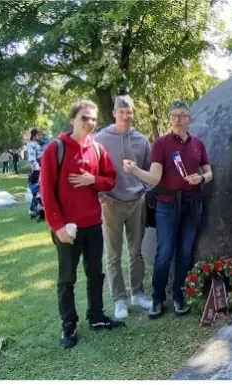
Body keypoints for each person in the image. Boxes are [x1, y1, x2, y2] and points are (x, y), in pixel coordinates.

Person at [40, 100, 120, 349]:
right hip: (67, 229)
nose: (89, 123)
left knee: (96, 274)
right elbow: (46, 192)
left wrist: (91, 179)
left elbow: (110, 181)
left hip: (94, 224)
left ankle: (96, 316)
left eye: (93, 119)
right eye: (84, 118)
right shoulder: (56, 149)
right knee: (66, 279)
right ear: (72, 119)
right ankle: (69, 326)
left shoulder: (97, 150)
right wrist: (58, 226)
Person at [124, 101, 213, 319]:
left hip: (193, 204)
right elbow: (154, 177)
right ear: (169, 119)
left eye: (182, 115)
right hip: (167, 205)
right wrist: (135, 170)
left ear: (189, 119)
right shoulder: (161, 144)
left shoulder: (198, 144)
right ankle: (157, 298)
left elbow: (209, 173)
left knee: (185, 253)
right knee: (164, 253)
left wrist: (200, 177)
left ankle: (179, 295)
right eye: (173, 115)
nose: (177, 119)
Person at [94, 95, 153, 320]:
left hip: (136, 202)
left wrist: (144, 191)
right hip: (111, 203)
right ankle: (119, 299)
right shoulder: (100, 139)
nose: (126, 116)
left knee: (136, 252)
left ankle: (137, 293)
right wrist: (101, 196)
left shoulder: (141, 139)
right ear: (114, 113)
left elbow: (149, 169)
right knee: (113, 254)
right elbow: (93, 169)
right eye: (122, 112)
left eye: (129, 112)